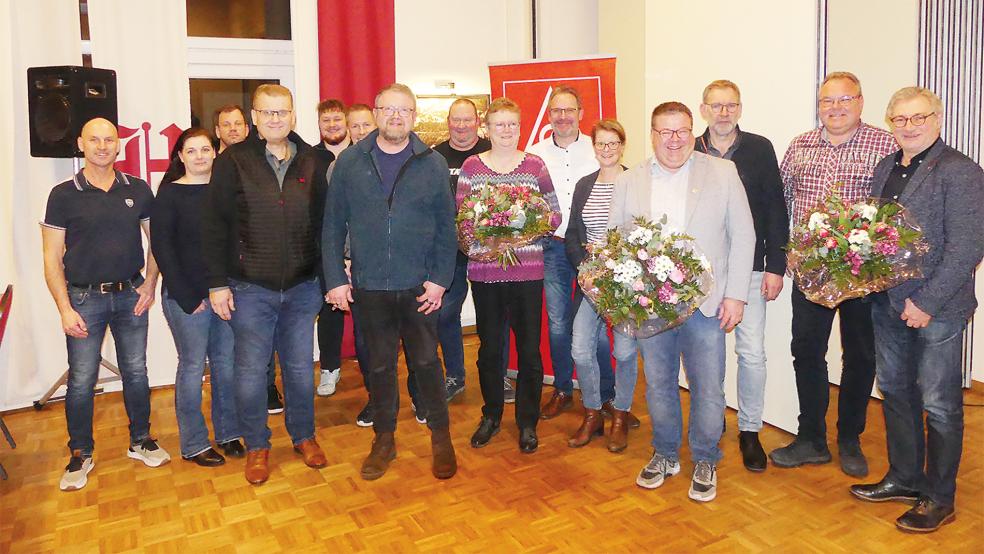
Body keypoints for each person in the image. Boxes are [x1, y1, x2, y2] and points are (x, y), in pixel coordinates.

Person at [850, 87, 984, 533]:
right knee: (896, 392)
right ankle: (905, 478)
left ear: (937, 119)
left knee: (940, 404)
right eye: (900, 120)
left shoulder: (961, 171)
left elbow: (968, 246)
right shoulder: (886, 166)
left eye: (918, 118)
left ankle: (938, 498)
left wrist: (925, 304)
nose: (909, 127)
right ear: (890, 123)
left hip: (937, 308)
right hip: (887, 301)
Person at [609, 102, 755, 503]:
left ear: (693, 132)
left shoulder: (722, 173)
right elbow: (614, 241)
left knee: (708, 387)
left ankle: (706, 457)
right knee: (658, 385)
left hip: (707, 305)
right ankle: (666, 453)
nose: (674, 140)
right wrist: (622, 298)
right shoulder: (629, 180)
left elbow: (743, 235)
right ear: (652, 135)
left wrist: (736, 295)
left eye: (682, 131)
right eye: (665, 132)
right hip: (649, 306)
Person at [324, 83, 457, 481]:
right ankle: (384, 440)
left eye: (404, 111)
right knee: (379, 367)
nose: (396, 117)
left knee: (427, 363)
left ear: (414, 117)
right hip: (370, 287)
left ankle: (441, 437)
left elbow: (445, 230)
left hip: (419, 286)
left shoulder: (431, 163)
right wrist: (334, 278)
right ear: (376, 114)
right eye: (388, 109)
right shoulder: (350, 162)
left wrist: (439, 280)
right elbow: (332, 226)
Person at [771, 72, 898, 477]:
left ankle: (849, 439)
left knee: (860, 356)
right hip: (810, 271)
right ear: (819, 104)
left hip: (864, 275)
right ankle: (811, 438)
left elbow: (894, 209)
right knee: (806, 352)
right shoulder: (800, 145)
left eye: (845, 100)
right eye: (828, 100)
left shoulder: (885, 144)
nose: (835, 108)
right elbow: (781, 203)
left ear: (861, 102)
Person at [202, 84, 330, 485]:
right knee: (252, 371)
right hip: (249, 287)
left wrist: (329, 280)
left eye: (283, 112)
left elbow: (326, 224)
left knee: (297, 369)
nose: (276, 119)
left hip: (302, 287)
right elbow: (214, 225)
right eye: (267, 113)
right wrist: (217, 284)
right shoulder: (232, 161)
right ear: (254, 117)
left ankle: (304, 437)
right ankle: (257, 444)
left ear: (293, 115)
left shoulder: (313, 160)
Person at [42, 117, 170, 491]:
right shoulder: (62, 194)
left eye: (109, 140)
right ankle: (80, 453)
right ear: (81, 144)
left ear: (119, 146)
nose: (102, 146)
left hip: (130, 294)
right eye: (94, 140)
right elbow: (51, 259)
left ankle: (140, 439)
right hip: (82, 299)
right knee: (81, 381)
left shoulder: (139, 189)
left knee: (136, 371)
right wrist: (65, 308)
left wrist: (149, 283)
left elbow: (157, 242)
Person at [457, 97, 562, 454]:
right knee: (489, 350)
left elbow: (554, 215)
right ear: (486, 128)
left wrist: (520, 233)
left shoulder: (534, 165)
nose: (506, 131)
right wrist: (486, 241)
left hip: (527, 272)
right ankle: (491, 416)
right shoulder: (472, 167)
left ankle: (527, 422)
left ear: (520, 126)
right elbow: (463, 221)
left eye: (512, 124)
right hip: (485, 273)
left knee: (530, 352)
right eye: (499, 124)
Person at [694, 80, 789, 472]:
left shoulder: (760, 148)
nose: (723, 113)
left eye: (730, 105)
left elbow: (774, 209)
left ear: (739, 109)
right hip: (701, 271)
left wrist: (775, 266)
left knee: (751, 353)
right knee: (706, 354)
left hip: (750, 267)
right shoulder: (689, 149)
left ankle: (749, 431)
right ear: (703, 110)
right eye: (716, 106)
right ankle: (711, 423)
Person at [152, 127, 244, 467]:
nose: (200, 156)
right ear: (180, 156)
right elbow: (163, 249)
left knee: (226, 365)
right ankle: (193, 444)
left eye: (205, 149)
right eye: (192, 151)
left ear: (215, 152)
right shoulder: (169, 195)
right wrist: (189, 297)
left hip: (224, 295)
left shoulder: (226, 193)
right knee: (192, 368)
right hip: (185, 299)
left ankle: (229, 433)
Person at [527, 86, 614, 420]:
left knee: (598, 326)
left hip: (594, 252)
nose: (562, 117)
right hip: (552, 248)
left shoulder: (599, 150)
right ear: (549, 116)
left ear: (581, 113)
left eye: (569, 110)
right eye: (556, 111)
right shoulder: (533, 154)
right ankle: (563, 388)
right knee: (559, 323)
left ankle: (608, 395)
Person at [565, 118, 641, 452]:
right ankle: (593, 412)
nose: (606, 150)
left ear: (622, 146)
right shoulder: (584, 185)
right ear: (593, 147)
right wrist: (586, 269)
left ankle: (621, 414)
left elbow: (645, 233)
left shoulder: (637, 182)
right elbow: (572, 234)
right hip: (590, 281)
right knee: (580, 348)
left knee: (624, 351)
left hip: (625, 284)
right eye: (600, 144)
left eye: (612, 144)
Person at [432, 98, 491, 401]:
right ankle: (455, 375)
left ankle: (496, 374)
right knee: (445, 316)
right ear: (448, 121)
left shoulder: (492, 153)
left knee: (492, 317)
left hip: (488, 250)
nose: (462, 125)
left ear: (478, 121)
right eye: (457, 119)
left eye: (468, 119)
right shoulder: (435, 157)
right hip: (449, 251)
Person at [311, 98, 350, 397]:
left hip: (363, 249)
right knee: (330, 310)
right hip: (326, 247)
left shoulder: (362, 155)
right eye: (327, 120)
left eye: (337, 119)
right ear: (319, 124)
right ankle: (330, 368)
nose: (332, 125)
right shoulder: (310, 158)